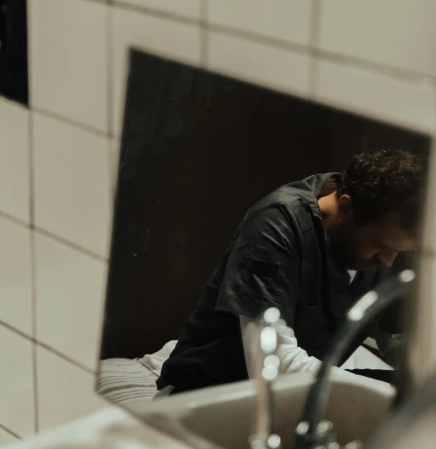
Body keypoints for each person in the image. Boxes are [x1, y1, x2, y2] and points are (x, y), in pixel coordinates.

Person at [157, 150, 424, 395]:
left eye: (401, 251)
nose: (389, 262)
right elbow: (273, 365)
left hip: (292, 398)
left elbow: (403, 342)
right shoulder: (276, 225)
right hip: (207, 392)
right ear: (345, 207)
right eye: (380, 247)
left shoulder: (385, 233)